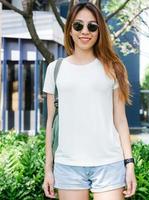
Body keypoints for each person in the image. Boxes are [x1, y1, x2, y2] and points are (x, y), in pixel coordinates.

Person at [42, 2, 137, 200]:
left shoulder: (113, 68)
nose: (85, 31)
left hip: (109, 164)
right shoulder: (55, 69)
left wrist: (129, 164)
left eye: (92, 26)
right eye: (78, 26)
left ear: (99, 30)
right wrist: (48, 169)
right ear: (69, 30)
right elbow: (50, 122)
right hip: (68, 166)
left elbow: (120, 120)